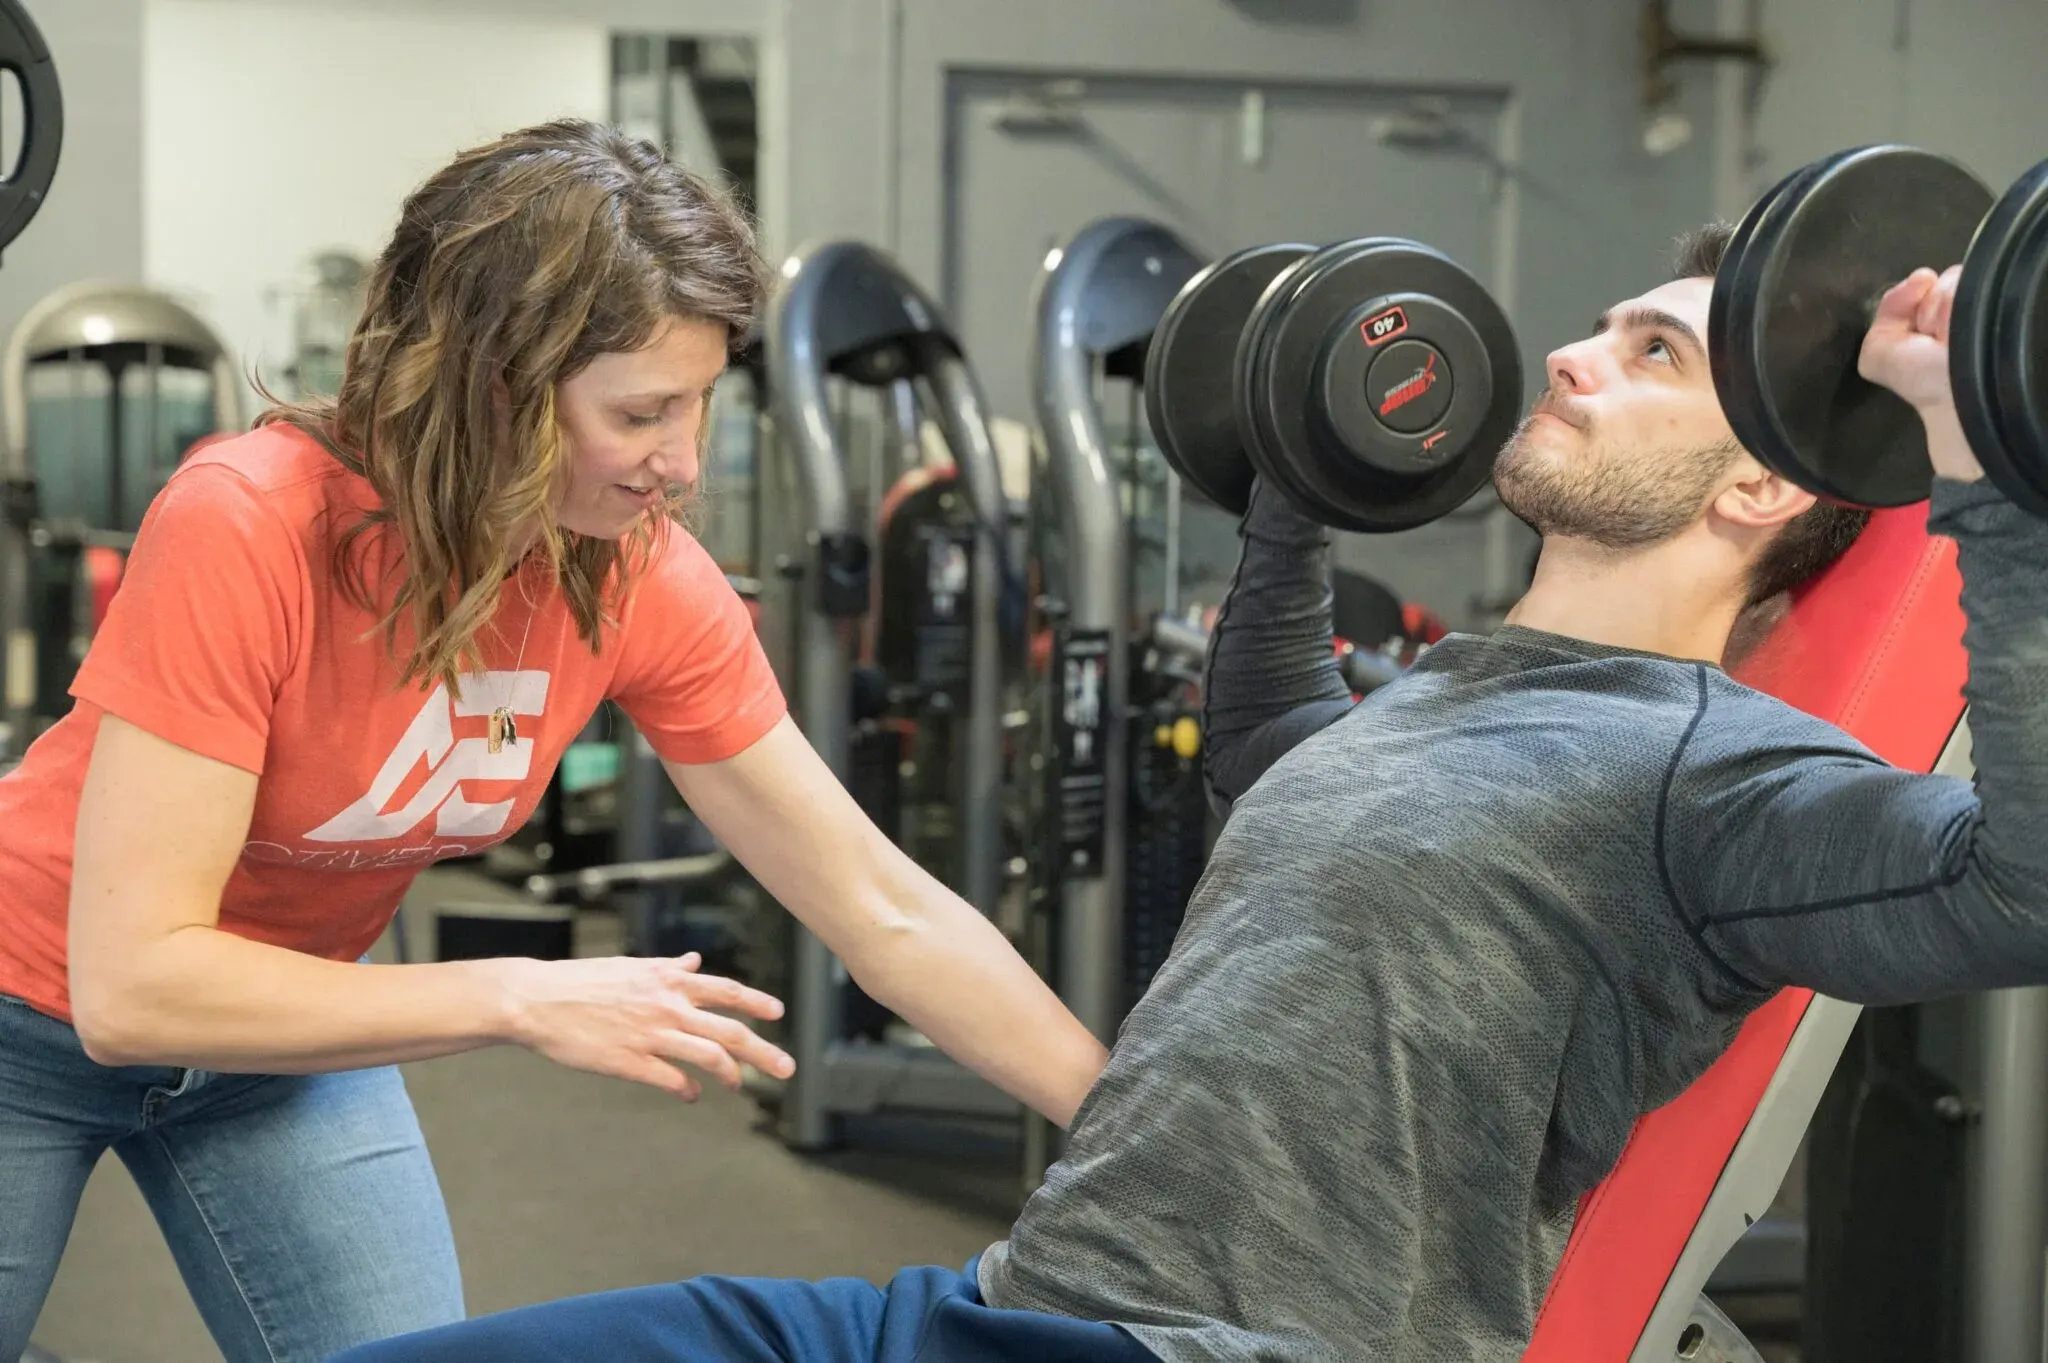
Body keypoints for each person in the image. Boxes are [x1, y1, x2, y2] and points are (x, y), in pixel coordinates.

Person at [330, 219, 2048, 1363]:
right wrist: (1294, 474)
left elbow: (2014, 889)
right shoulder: (1426, 696)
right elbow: (1268, 749)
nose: (1575, 357)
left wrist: (1971, 473)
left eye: (1650, 357)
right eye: (1600, 329)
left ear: (1757, 484)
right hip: (998, 1302)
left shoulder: (1718, 775)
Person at [0, 120, 1110, 1363]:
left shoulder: (637, 577)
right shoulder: (248, 526)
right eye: (640, 413)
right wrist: (520, 996)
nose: (681, 464)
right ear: (492, 386)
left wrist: (1132, 1123)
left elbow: (879, 906)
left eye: (698, 406)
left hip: (281, 1044)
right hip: (20, 1020)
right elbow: (133, 987)